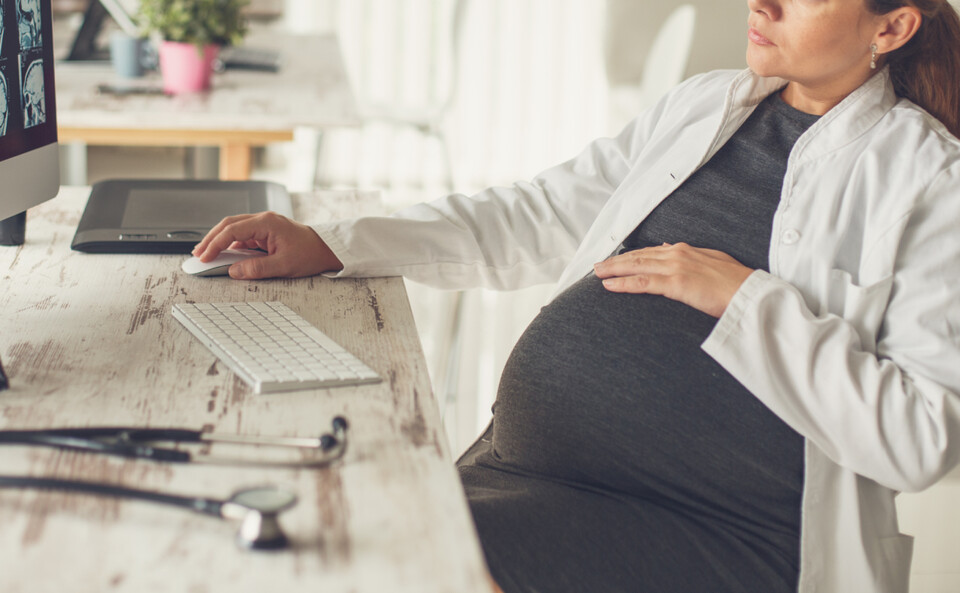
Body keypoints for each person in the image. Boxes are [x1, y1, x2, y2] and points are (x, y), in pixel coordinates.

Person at [192, 0, 960, 591]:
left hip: (708, 530)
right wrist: (337, 242)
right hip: (530, 469)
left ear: (889, 28)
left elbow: (924, 437)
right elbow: (539, 212)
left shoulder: (928, 179)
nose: (762, 2)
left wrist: (743, 297)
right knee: (317, 531)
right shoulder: (707, 105)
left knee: (378, 554)